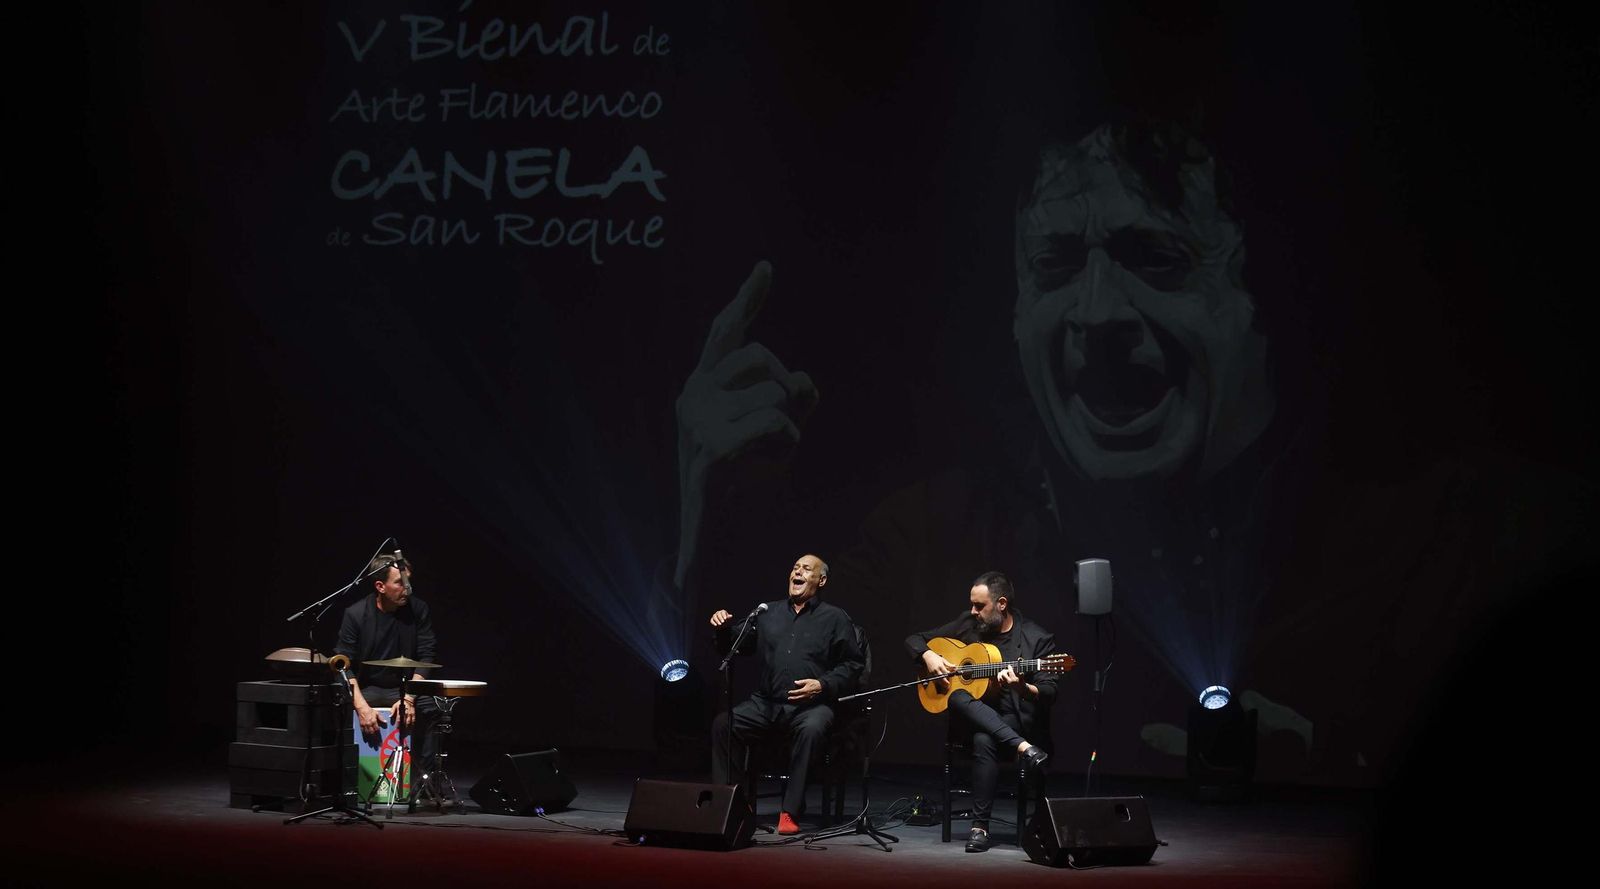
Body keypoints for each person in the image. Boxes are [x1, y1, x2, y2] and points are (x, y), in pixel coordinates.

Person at [710, 554, 864, 835]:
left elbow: (853, 665)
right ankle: (733, 804)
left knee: (813, 727)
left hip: (810, 705)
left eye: (807, 569)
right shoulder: (767, 612)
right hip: (766, 703)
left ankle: (790, 810)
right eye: (795, 568)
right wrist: (722, 631)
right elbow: (734, 646)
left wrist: (823, 685)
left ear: (822, 580)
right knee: (724, 725)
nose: (798, 572)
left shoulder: (834, 618)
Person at [906, 571, 1056, 852]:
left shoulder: (1035, 638)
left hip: (1013, 720)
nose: (972, 611)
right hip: (969, 719)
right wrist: (928, 655)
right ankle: (1026, 750)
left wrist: (1023, 688)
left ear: (1001, 604)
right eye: (972, 605)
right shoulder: (968, 623)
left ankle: (980, 828)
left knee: (984, 739)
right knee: (959, 697)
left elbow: (1049, 692)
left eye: (979, 606)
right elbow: (914, 639)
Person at [335, 552, 439, 792]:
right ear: (380, 586)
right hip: (367, 688)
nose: (407, 588)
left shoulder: (418, 610)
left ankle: (424, 784)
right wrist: (360, 707)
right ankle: (347, 783)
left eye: (409, 582)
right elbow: (342, 663)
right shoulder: (356, 614)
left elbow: (427, 654)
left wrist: (410, 697)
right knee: (336, 705)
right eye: (400, 583)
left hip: (404, 688)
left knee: (434, 709)